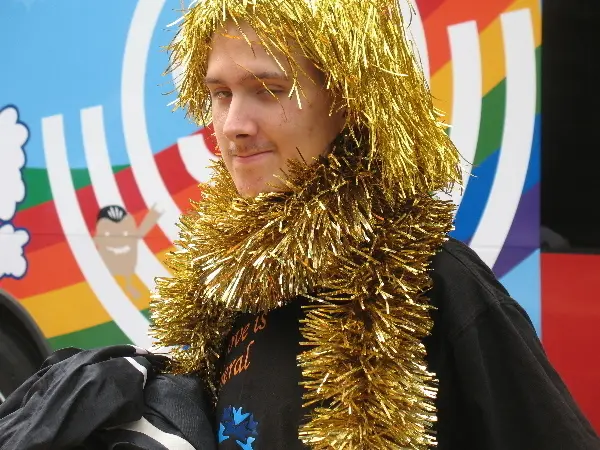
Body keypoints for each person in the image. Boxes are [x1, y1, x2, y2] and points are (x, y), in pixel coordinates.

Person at [148, 1, 600, 449]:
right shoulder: (222, 288)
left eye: (268, 89)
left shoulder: (435, 282)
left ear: (348, 101)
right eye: (221, 94)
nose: (232, 125)